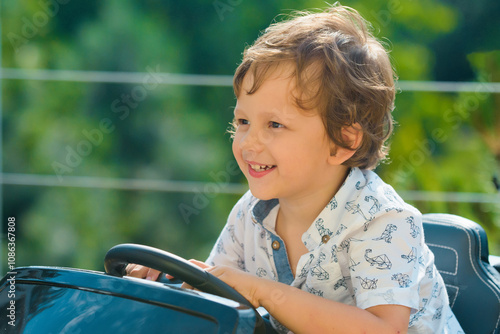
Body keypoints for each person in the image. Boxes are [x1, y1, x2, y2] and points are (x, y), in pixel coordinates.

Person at [127, 4, 464, 333]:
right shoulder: (251, 213)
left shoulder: (382, 221)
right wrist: (172, 281)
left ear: (342, 142)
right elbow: (219, 295)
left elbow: (384, 329)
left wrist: (263, 292)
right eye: (242, 121)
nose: (248, 143)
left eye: (274, 125)